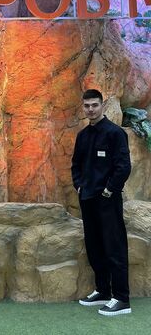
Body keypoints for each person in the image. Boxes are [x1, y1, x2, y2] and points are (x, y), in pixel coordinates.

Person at [71, 89, 132, 316]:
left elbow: (123, 167)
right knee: (95, 247)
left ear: (102, 106)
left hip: (108, 200)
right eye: (87, 105)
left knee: (114, 247)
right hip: (87, 199)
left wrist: (108, 190)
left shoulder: (115, 133)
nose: (90, 109)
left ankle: (122, 299)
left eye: (94, 105)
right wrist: (79, 185)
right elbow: (76, 165)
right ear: (83, 107)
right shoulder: (82, 136)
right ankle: (103, 291)